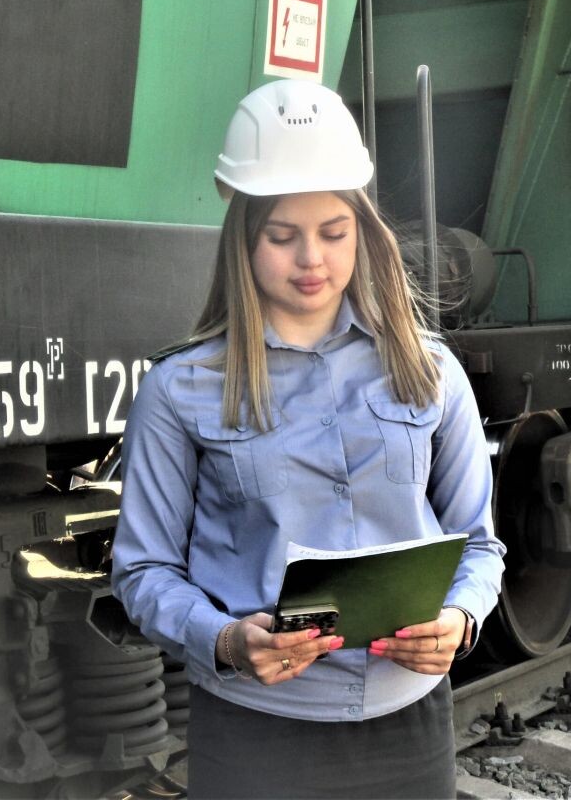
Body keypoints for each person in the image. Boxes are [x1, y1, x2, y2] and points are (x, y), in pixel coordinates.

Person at [112, 79, 504, 800]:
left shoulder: (431, 370)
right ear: (244, 239)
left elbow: (479, 544)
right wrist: (226, 641)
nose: (311, 260)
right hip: (256, 735)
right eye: (282, 236)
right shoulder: (178, 389)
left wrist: (460, 619)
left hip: (411, 729)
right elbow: (142, 571)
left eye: (333, 232)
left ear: (362, 231)